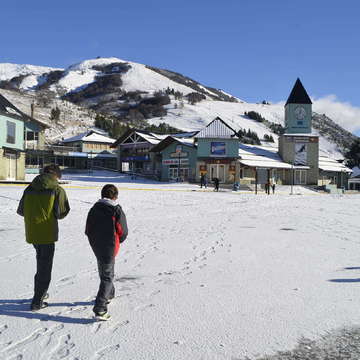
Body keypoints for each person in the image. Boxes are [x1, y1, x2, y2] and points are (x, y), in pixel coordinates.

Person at [17, 164, 70, 311]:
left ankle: (40, 292)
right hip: (47, 233)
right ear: (56, 176)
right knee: (44, 267)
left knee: (41, 263)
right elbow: (61, 213)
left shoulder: (29, 188)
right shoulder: (57, 190)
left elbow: (21, 210)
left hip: (32, 232)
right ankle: (37, 301)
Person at [85, 184, 128, 321]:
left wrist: (94, 240)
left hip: (97, 245)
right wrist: (117, 240)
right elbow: (123, 230)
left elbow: (88, 229)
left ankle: (109, 294)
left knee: (105, 272)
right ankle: (100, 308)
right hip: (109, 246)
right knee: (107, 277)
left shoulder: (94, 209)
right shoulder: (116, 210)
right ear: (115, 196)